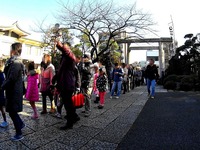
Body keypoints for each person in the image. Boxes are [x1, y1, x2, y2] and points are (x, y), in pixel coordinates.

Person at [2, 42, 25, 141]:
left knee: (12, 111)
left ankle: (19, 133)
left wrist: (1, 87)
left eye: (11, 48)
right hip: (13, 90)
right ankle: (20, 124)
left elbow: (11, 78)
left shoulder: (16, 63)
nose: (9, 50)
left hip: (14, 91)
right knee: (12, 111)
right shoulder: (13, 61)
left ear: (15, 50)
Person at [56, 41, 80, 130]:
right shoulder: (64, 58)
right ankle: (74, 117)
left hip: (68, 84)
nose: (63, 48)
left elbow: (68, 53)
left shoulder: (71, 57)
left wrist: (61, 46)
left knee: (68, 104)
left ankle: (69, 123)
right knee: (68, 103)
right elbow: (60, 71)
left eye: (65, 47)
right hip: (64, 83)